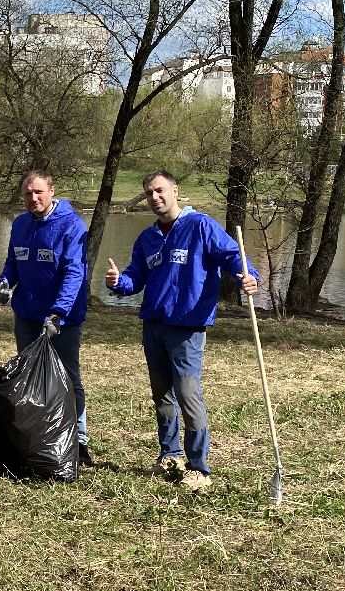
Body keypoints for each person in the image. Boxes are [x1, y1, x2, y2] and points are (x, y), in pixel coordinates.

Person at [104, 169, 259, 492]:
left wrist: (247, 275)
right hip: (154, 325)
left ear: (175, 191)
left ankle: (199, 467)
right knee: (162, 395)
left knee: (188, 395)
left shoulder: (200, 226)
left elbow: (233, 256)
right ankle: (170, 454)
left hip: (187, 328)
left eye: (160, 190)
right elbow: (136, 278)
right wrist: (119, 283)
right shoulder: (147, 238)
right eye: (149, 193)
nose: (154, 198)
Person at [0, 170, 94, 467]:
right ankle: (39, 435)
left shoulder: (71, 225)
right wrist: (5, 283)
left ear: (52, 191)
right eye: (27, 193)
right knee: (29, 378)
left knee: (67, 377)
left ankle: (79, 441)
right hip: (27, 315)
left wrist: (59, 312)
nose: (33, 198)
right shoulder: (21, 223)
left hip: (61, 319)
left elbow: (74, 272)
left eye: (38, 192)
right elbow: (13, 262)